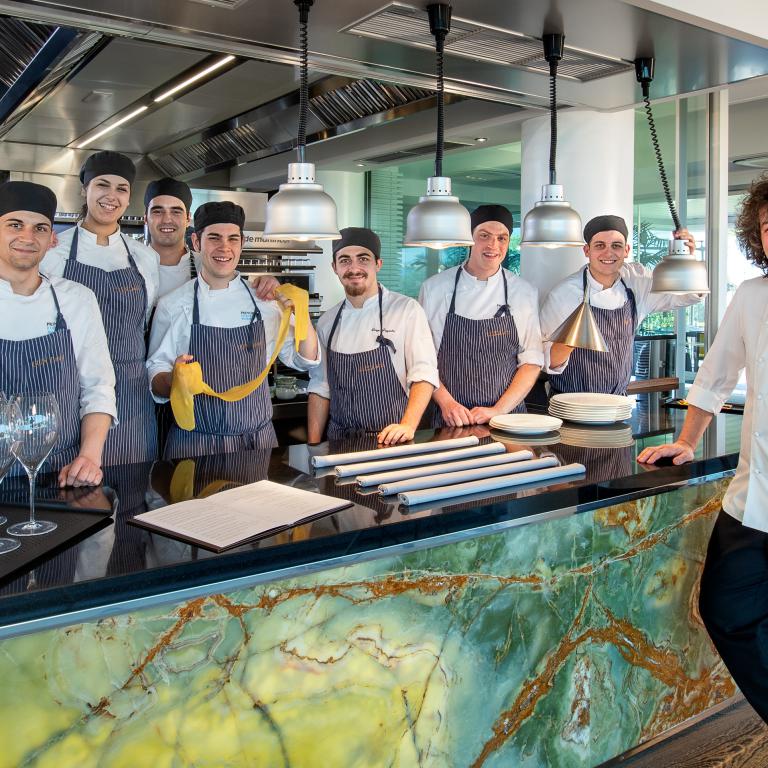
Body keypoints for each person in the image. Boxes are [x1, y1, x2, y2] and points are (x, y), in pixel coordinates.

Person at [637, 174, 768, 723]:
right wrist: (686, 441)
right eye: (767, 227)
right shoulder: (752, 296)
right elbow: (715, 376)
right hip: (754, 499)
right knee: (725, 608)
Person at [147, 201, 320, 459]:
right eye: (214, 238)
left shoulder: (265, 301)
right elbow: (155, 375)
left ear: (241, 243)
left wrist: (300, 312)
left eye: (232, 239)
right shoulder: (173, 305)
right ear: (196, 242)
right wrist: (174, 380)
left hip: (257, 442)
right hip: (195, 444)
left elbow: (305, 359)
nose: (224, 247)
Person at [41, 150, 160, 465]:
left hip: (133, 395)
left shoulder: (145, 258)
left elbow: (144, 322)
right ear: (84, 190)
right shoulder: (54, 253)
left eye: (121, 189)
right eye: (102, 185)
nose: (112, 196)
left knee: (131, 490)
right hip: (70, 390)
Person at [0, 180, 116, 487]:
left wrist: (90, 457)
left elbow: (98, 386)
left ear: (52, 238)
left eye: (39, 228)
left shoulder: (76, 299)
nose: (28, 237)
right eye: (15, 225)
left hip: (60, 474)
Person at [541, 215, 702, 396]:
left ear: (626, 250)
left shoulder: (637, 281)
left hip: (618, 404)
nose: (609, 253)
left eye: (616, 246)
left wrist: (688, 259)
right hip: (570, 403)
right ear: (587, 250)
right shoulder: (564, 294)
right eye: (600, 245)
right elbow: (547, 360)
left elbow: (685, 295)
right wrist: (573, 337)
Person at [307, 227, 439, 445]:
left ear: (378, 263)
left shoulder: (406, 310)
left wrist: (407, 425)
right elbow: (321, 388)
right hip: (339, 441)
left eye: (363, 258)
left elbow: (424, 373)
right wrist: (312, 447)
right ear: (334, 267)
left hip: (391, 440)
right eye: (345, 260)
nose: (354, 268)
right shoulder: (326, 321)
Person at [419, 204, 544, 427]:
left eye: (502, 238)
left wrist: (498, 410)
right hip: (449, 419)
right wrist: (448, 404)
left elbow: (531, 361)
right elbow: (423, 360)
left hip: (507, 419)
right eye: (484, 236)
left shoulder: (524, 292)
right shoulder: (434, 289)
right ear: (470, 238)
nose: (493, 245)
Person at [144, 177, 199, 298]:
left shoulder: (205, 266)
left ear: (188, 219)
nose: (167, 219)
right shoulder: (127, 264)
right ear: (145, 218)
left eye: (176, 212)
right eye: (158, 211)